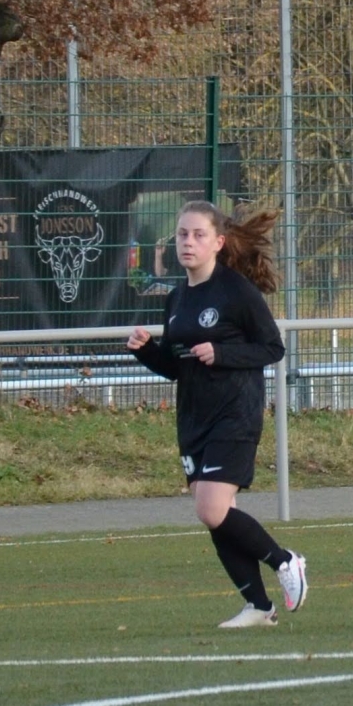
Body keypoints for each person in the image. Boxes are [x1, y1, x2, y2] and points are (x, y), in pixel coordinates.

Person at [126, 202, 305, 628]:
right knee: (218, 516)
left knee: (210, 509)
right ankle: (259, 606)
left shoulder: (236, 292)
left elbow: (272, 348)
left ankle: (286, 561)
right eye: (182, 234)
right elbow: (177, 367)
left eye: (198, 235)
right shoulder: (177, 298)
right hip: (194, 419)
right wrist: (147, 351)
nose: (187, 242)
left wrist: (222, 353)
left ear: (219, 242)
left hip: (235, 413)